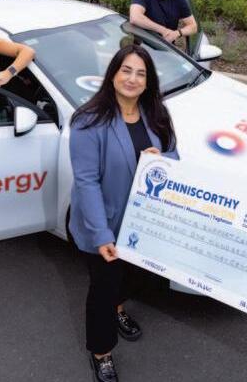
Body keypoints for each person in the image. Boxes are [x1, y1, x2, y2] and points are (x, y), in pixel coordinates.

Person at [69, 44, 178, 382]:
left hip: (142, 223)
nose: (132, 79)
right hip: (103, 224)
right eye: (126, 70)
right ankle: (101, 352)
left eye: (141, 73)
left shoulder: (157, 114)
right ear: (113, 74)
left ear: (149, 81)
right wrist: (101, 234)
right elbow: (86, 182)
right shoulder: (89, 120)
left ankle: (119, 309)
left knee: (134, 277)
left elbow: (175, 158)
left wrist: (161, 159)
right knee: (102, 290)